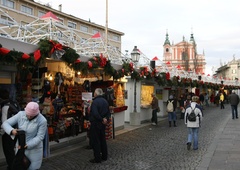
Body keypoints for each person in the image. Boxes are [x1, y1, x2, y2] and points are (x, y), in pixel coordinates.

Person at [2, 102, 47, 170]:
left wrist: (28, 145)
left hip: (34, 149)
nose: (29, 117)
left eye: (31, 116)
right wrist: (11, 130)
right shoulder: (20, 114)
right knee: (20, 167)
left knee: (33, 168)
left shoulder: (42, 120)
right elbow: (5, 123)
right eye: (28, 114)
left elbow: (40, 137)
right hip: (20, 148)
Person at [89, 88, 111, 163]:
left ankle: (97, 158)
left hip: (96, 123)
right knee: (103, 140)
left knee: (96, 141)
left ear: (96, 94)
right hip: (103, 124)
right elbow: (108, 112)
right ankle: (104, 156)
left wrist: (101, 119)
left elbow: (95, 113)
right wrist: (105, 119)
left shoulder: (95, 102)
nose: (93, 94)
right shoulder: (105, 101)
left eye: (94, 93)